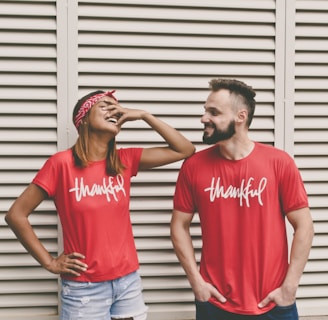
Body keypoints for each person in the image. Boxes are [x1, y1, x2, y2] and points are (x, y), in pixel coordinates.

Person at [5, 89, 195, 320]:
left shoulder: (124, 160)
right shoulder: (60, 165)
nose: (114, 110)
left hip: (128, 282)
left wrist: (145, 116)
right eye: (104, 105)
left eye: (116, 107)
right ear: (83, 119)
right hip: (84, 288)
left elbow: (185, 149)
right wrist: (50, 262)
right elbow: (16, 215)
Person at [170, 78, 314, 320]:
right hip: (215, 303)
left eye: (213, 112)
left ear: (241, 116)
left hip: (273, 303)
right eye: (205, 110)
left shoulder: (279, 162)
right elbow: (178, 226)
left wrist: (289, 287)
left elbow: (305, 226)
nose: (204, 118)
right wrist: (197, 283)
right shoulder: (193, 167)